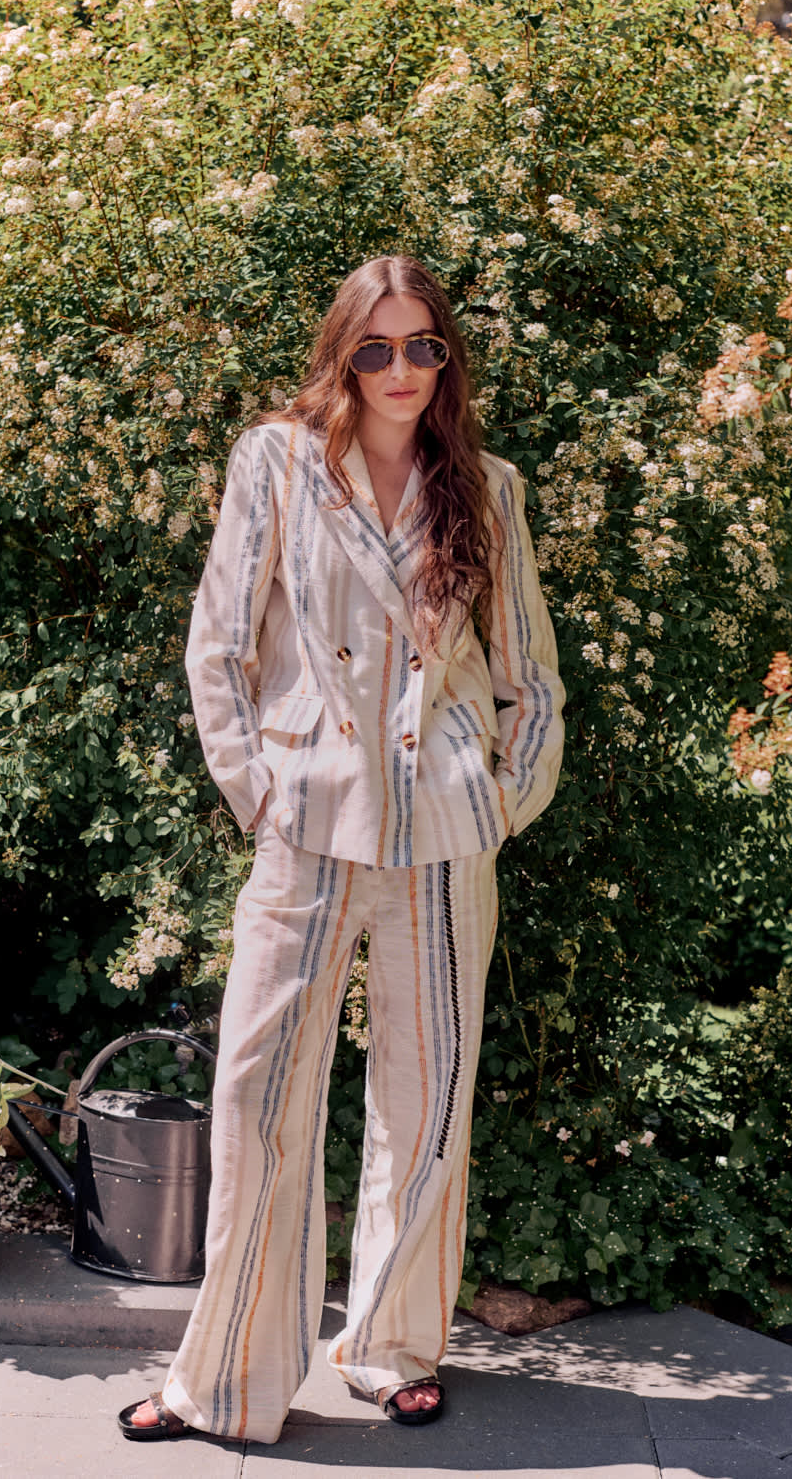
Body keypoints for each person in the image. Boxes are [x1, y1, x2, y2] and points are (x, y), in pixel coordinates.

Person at [118, 255, 564, 1445]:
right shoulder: (277, 462)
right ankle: (222, 1378)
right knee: (258, 1096)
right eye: (377, 348)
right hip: (307, 820)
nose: (403, 369)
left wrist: (504, 795)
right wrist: (253, 783)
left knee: (428, 1105)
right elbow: (220, 640)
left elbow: (531, 677)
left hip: (444, 834)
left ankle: (392, 1343)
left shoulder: (489, 488)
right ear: (341, 357)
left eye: (425, 346)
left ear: (448, 357)